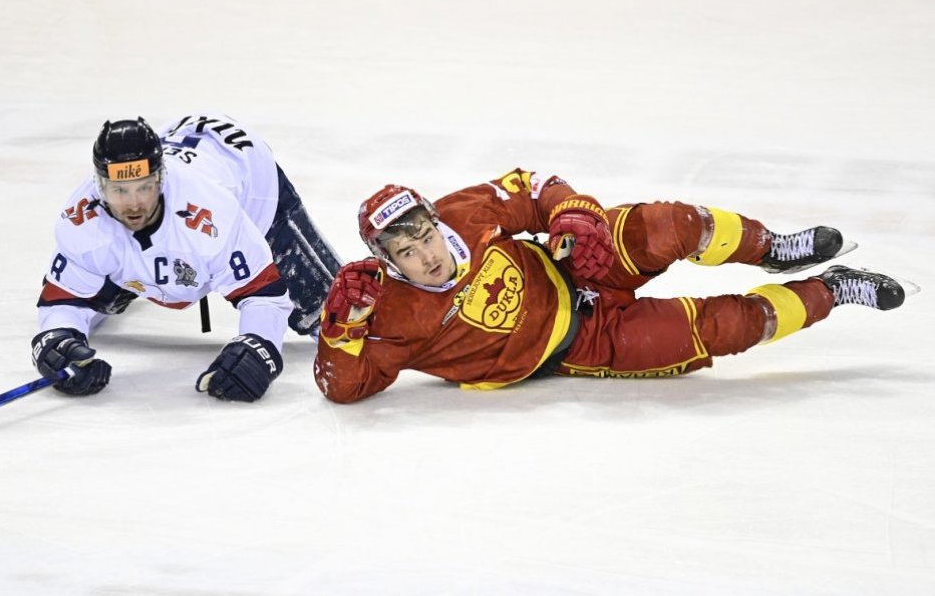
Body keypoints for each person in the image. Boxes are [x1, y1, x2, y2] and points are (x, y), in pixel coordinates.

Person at [313, 168, 911, 403]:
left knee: (672, 224)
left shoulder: (463, 210)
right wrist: (339, 328)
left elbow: (536, 186)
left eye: (425, 236)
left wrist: (574, 215)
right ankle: (833, 289)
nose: (426, 257)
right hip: (584, 344)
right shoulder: (385, 309)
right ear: (385, 258)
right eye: (406, 252)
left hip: (575, 267)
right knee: (725, 328)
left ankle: (774, 248)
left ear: (436, 220)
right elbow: (343, 387)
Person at [32, 113, 341, 402]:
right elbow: (64, 300)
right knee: (99, 285)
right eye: (119, 191)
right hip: (185, 172)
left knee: (339, 317)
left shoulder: (212, 214)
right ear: (100, 187)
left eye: (145, 187)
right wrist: (58, 339)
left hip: (246, 175)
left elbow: (264, 295)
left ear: (161, 178)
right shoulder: (83, 221)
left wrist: (259, 345)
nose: (134, 205)